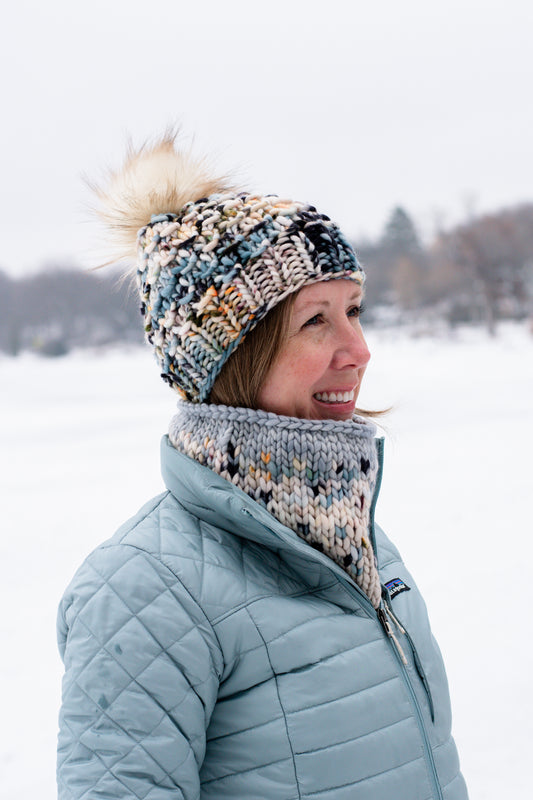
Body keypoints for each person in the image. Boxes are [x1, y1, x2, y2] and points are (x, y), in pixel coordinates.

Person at [56, 134, 468, 800]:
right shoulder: (143, 588)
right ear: (233, 356)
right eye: (315, 321)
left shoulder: (351, 536)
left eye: (353, 311)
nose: (358, 349)